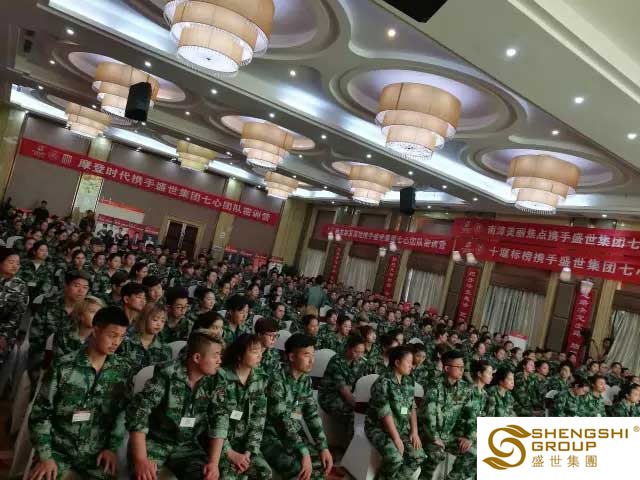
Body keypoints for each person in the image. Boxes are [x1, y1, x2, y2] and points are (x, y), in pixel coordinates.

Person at [28, 307, 133, 479]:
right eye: (112, 335)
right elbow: (40, 414)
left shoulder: (123, 371)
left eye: (121, 337)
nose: (116, 342)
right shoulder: (63, 367)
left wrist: (111, 448)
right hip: (58, 450)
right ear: (96, 330)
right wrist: (45, 456)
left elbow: (122, 414)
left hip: (95, 454)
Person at [126, 330, 228, 480]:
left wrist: (213, 463)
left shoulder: (217, 378)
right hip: (155, 441)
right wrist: (141, 460)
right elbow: (138, 412)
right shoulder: (167, 374)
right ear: (197, 357)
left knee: (207, 476)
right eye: (215, 355)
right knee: (143, 477)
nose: (219, 360)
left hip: (187, 445)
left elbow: (220, 418)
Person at [262, 334, 333, 480]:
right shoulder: (276, 379)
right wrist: (303, 451)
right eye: (306, 355)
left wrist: (323, 447)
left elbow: (311, 415)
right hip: (271, 437)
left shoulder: (305, 380)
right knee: (299, 469)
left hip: (294, 436)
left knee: (321, 464)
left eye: (313, 355)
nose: (312, 360)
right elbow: (281, 420)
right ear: (292, 357)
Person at [365, 345, 425, 480]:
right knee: (395, 458)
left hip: (401, 427)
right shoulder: (383, 382)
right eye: (408, 362)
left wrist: (414, 432)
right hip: (379, 428)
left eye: (412, 363)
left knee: (418, 456)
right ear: (397, 362)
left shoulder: (408, 381)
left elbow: (412, 407)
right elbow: (385, 414)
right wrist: (397, 439)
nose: (411, 366)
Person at [217, 334, 271, 478]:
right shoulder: (221, 377)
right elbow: (213, 419)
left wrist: (248, 452)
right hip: (221, 444)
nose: (259, 356)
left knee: (264, 472)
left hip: (245, 444)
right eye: (254, 351)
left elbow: (259, 418)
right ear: (239, 355)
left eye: (260, 351)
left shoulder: (260, 378)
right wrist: (230, 453)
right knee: (229, 476)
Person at [418, 349, 472, 480]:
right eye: (458, 367)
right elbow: (428, 415)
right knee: (436, 454)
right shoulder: (434, 386)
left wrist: (468, 436)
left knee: (474, 451)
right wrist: (435, 437)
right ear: (447, 368)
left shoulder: (464, 388)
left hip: (449, 435)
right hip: (428, 434)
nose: (462, 370)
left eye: (463, 367)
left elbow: (471, 413)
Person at [29, 270, 91, 375]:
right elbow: (35, 338)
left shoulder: (88, 311)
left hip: (74, 364)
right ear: (66, 286)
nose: (81, 290)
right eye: (76, 286)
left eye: (85, 287)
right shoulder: (49, 304)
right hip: (44, 359)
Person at [318, 333, 367, 437]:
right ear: (348, 348)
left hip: (348, 394)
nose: (359, 355)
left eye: (362, 352)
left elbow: (361, 383)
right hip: (330, 397)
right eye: (356, 351)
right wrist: (358, 407)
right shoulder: (336, 362)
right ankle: (351, 443)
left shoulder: (360, 362)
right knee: (353, 415)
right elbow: (344, 391)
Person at [117, 302, 171, 371]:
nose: (159, 324)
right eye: (155, 320)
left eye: (163, 321)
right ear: (145, 318)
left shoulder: (165, 349)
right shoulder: (126, 342)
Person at [0, 247, 29, 367]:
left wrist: (4, 336)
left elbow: (16, 317)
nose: (15, 266)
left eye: (17, 263)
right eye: (11, 262)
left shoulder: (21, 286)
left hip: (4, 331)